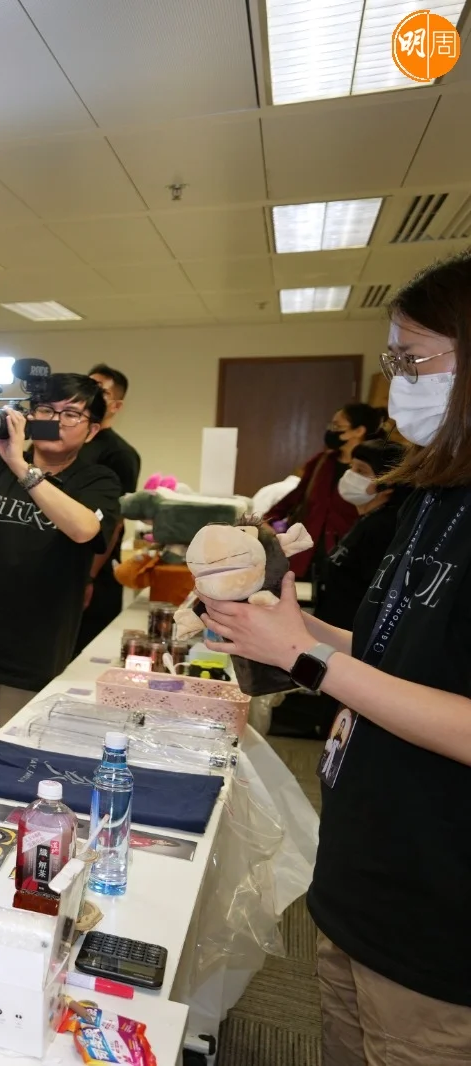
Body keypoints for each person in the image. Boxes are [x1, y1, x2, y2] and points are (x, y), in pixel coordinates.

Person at [196, 253, 471, 1065]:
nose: (399, 386)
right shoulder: (434, 498)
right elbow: (398, 652)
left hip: (440, 923)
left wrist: (307, 659)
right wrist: (290, 633)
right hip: (363, 882)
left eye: (414, 362)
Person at [0, 375, 121, 723]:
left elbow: (83, 530)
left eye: (71, 414)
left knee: (14, 751)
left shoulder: (97, 480)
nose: (55, 421)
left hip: (34, 657)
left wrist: (20, 464)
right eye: (46, 410)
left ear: (92, 430)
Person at [265, 402, 383, 578]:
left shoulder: (374, 469)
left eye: (338, 426)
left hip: (347, 557)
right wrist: (269, 519)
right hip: (307, 555)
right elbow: (298, 495)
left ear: (359, 431)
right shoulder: (322, 462)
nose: (331, 431)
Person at [77, 365, 142, 649]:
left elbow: (115, 522)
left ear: (116, 405)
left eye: (101, 391)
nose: (91, 395)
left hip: (95, 570)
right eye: (87, 387)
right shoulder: (69, 443)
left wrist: (88, 577)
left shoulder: (121, 454)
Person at [315, 439, 409, 629]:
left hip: (350, 634)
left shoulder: (384, 528)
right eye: (351, 467)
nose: (350, 475)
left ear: (387, 482)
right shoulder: (367, 519)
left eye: (361, 471)